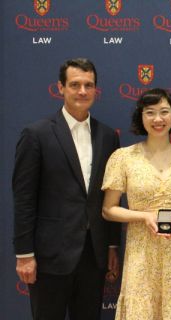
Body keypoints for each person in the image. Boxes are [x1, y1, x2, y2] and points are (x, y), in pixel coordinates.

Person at [12, 58, 121, 320]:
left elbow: (112, 194)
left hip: (93, 255)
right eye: (75, 85)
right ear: (60, 88)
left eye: (88, 85)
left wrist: (111, 246)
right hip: (50, 255)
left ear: (96, 89)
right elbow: (24, 199)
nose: (82, 91)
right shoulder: (36, 134)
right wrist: (24, 255)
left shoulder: (108, 136)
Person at [101, 88, 171, 320]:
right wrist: (144, 217)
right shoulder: (123, 157)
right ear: (141, 117)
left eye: (164, 112)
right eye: (150, 112)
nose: (158, 119)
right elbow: (108, 209)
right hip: (142, 249)